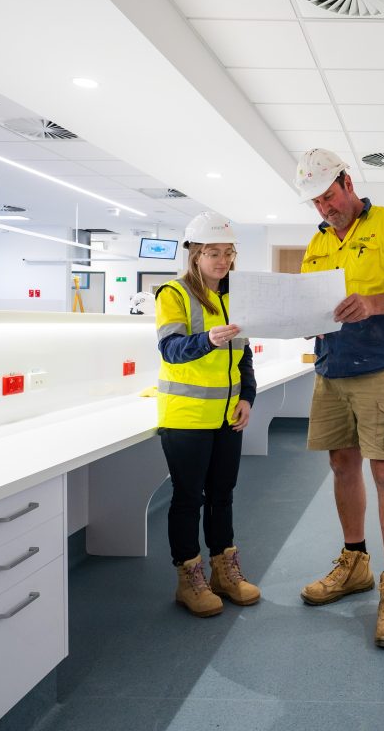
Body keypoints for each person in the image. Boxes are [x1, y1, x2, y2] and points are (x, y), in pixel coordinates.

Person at [293, 149, 384, 648]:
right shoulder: (316, 244)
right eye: (315, 202)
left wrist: (374, 303)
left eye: (329, 196)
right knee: (341, 464)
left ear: (347, 183)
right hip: (332, 363)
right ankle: (354, 562)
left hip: (382, 362)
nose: (324, 209)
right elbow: (314, 305)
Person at [155, 211, 261, 617]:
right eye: (212, 253)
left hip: (227, 416)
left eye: (227, 253)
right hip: (187, 417)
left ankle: (224, 572)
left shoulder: (238, 296)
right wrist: (206, 340)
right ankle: (189, 579)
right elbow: (171, 350)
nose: (221, 261)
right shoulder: (174, 294)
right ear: (195, 254)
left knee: (222, 496)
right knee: (188, 499)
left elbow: (244, 356)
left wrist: (247, 397)